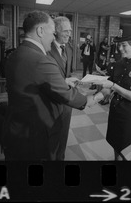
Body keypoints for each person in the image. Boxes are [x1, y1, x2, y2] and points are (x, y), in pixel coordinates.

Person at [2, 11, 97, 161]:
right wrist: (96, 97)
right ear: (40, 31)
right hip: (34, 135)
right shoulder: (40, 59)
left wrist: (63, 81)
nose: (53, 38)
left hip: (16, 128)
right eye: (53, 33)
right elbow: (69, 96)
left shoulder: (15, 54)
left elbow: (32, 81)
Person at [94, 24, 131, 160]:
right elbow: (108, 87)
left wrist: (113, 86)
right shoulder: (117, 64)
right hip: (115, 111)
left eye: (123, 45)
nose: (119, 48)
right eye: (119, 45)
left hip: (130, 115)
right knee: (115, 144)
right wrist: (95, 98)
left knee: (127, 148)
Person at [48, 16, 80, 160]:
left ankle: (60, 158)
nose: (69, 34)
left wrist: (70, 80)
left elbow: (66, 71)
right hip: (51, 102)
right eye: (65, 31)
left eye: (70, 31)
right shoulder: (46, 49)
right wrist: (64, 81)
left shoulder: (69, 48)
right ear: (55, 31)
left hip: (66, 102)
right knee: (52, 137)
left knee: (63, 134)